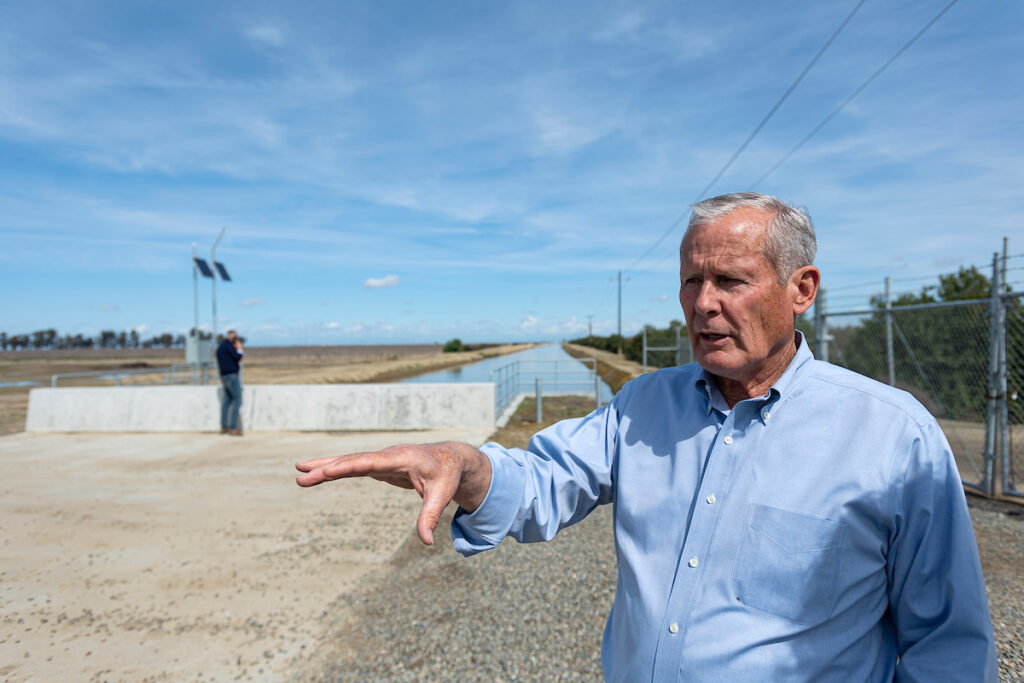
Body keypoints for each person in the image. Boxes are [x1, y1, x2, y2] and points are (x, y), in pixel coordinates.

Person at [296, 193, 997, 681]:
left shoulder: (892, 436)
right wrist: (465, 462)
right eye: (691, 281)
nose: (703, 304)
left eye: (730, 279)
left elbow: (950, 645)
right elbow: (544, 482)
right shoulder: (643, 406)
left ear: (802, 287)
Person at [216, 329, 244, 436]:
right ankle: (233, 427)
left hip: (223, 376)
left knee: (226, 401)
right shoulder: (229, 347)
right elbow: (238, 357)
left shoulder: (221, 347)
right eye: (236, 338)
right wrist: (240, 349)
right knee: (237, 400)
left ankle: (224, 426)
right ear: (232, 337)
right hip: (232, 375)